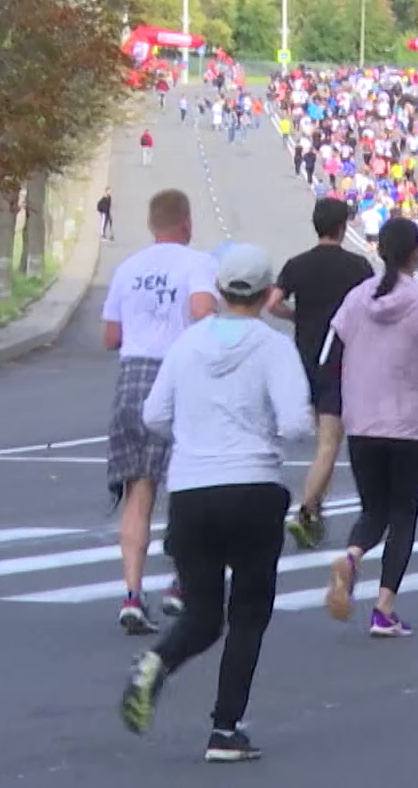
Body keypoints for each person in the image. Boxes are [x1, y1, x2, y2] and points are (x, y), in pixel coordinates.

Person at [119, 243, 313, 762]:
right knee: (249, 612)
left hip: (192, 492)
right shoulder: (273, 348)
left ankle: (158, 661)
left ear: (222, 290)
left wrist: (197, 426)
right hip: (253, 488)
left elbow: (156, 415)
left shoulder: (187, 344)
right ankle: (225, 729)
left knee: (203, 615)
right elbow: (296, 423)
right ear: (269, 292)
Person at [324, 219, 418, 637]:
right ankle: (384, 608)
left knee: (373, 510)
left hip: (362, 419)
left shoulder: (356, 298)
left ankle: (351, 554)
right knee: (403, 516)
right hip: (408, 424)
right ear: (416, 254)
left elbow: (330, 355)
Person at [102, 189, 219, 633]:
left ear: (153, 225)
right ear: (186, 223)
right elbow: (202, 310)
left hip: (133, 378)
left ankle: (132, 594)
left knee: (139, 489)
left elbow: (110, 336)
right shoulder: (198, 263)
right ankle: (178, 582)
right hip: (180, 377)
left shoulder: (127, 268)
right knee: (187, 485)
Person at [270, 198, 375, 550]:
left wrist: (297, 316)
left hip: (305, 356)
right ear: (343, 227)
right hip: (341, 359)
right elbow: (372, 306)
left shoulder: (296, 264)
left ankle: (316, 514)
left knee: (323, 441)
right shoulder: (358, 266)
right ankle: (306, 508)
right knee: (330, 442)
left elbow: (273, 302)